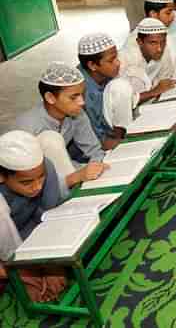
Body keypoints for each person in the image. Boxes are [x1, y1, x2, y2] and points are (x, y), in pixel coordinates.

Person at [14, 63, 108, 192]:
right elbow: (22, 181)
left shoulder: (76, 113)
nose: (82, 102)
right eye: (73, 97)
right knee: (50, 139)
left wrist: (97, 167)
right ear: (50, 97)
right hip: (38, 186)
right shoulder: (26, 128)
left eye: (82, 94)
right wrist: (74, 178)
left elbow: (94, 151)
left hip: (66, 171)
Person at [0, 131, 67, 302]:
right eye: (26, 183)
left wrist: (49, 264)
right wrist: (25, 274)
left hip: (26, 230)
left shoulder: (46, 166)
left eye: (41, 178)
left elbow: (49, 217)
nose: (37, 187)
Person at [77, 33, 138, 150]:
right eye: (111, 60)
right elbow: (99, 142)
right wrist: (132, 145)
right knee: (120, 87)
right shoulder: (82, 92)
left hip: (110, 133)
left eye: (116, 57)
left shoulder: (103, 73)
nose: (118, 63)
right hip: (91, 150)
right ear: (92, 65)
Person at [118, 18, 176, 104]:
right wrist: (154, 92)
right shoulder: (124, 60)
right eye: (153, 43)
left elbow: (165, 81)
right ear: (140, 42)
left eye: (163, 42)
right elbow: (121, 101)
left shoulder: (164, 52)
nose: (159, 49)